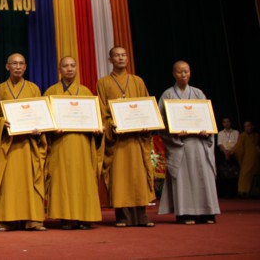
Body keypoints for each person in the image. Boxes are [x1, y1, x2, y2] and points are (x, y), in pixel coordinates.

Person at [96, 46, 156, 227]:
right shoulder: (103, 83)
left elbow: (146, 107)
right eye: (117, 55)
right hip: (118, 141)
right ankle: (122, 216)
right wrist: (111, 125)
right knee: (120, 177)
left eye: (123, 55)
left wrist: (147, 124)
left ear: (127, 58)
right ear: (110, 60)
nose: (121, 58)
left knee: (139, 175)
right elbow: (102, 111)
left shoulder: (137, 81)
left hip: (136, 139)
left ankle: (142, 215)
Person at [157, 60, 220, 224]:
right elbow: (160, 121)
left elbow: (207, 115)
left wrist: (206, 129)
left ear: (190, 73)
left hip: (199, 142)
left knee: (203, 176)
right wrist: (174, 132)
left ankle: (207, 212)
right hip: (180, 144)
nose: (183, 75)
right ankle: (185, 213)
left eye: (186, 71)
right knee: (183, 179)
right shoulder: (168, 95)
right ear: (173, 74)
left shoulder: (198, 93)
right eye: (179, 72)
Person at [44, 56, 103, 230]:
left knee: (83, 179)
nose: (69, 69)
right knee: (63, 180)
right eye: (65, 66)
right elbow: (45, 119)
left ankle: (85, 217)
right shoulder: (51, 92)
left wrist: (97, 129)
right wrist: (52, 128)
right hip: (60, 143)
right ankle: (66, 217)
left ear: (77, 68)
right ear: (59, 70)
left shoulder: (86, 93)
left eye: (72, 65)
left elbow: (96, 118)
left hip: (82, 143)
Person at [0, 53, 46, 231]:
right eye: (14, 63)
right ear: (7, 66)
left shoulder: (33, 88)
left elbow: (40, 114)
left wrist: (39, 128)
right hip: (8, 144)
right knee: (8, 183)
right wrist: (1, 123)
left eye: (21, 63)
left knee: (30, 181)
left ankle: (33, 220)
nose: (18, 67)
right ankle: (7, 220)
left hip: (28, 144)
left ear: (25, 67)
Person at [234, 120, 260, 198]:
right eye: (245, 126)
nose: (247, 128)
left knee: (254, 176)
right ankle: (243, 191)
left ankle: (254, 192)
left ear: (252, 127)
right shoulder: (242, 136)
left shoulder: (257, 136)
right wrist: (240, 158)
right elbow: (239, 148)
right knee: (244, 176)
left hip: (256, 159)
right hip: (246, 159)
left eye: (249, 126)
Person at [217, 117, 240, 198]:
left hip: (234, 153)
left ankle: (234, 193)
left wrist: (232, 151)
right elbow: (220, 144)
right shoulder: (220, 133)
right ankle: (226, 193)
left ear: (230, 123)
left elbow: (238, 143)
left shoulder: (235, 132)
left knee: (234, 173)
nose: (226, 123)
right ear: (223, 124)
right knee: (224, 174)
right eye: (224, 122)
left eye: (228, 122)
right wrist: (226, 153)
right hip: (224, 154)